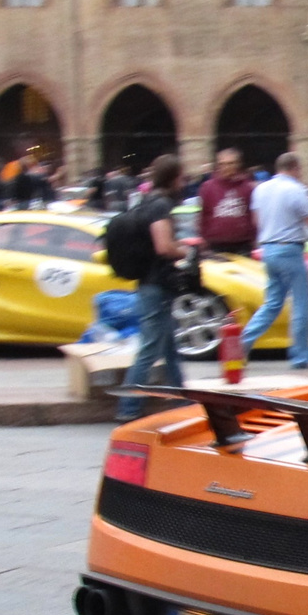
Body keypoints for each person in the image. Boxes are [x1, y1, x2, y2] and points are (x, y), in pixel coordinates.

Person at [115, 155, 189, 423]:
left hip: (151, 283)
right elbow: (163, 247)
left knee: (169, 348)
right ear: (172, 178)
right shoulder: (160, 205)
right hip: (156, 284)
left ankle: (184, 402)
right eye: (181, 177)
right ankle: (128, 409)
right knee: (149, 350)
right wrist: (185, 250)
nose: (184, 182)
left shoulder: (147, 201)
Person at [241, 152, 308, 370]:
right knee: (301, 304)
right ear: (295, 168)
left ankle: (243, 344)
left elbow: (257, 221)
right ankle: (301, 356)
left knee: (272, 303)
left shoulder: (260, 189)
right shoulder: (296, 190)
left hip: (268, 249)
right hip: (290, 249)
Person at [197, 148, 257, 255]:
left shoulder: (248, 188)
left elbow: (253, 215)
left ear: (238, 164)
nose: (226, 168)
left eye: (230, 164)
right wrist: (202, 239)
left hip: (242, 245)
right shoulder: (207, 187)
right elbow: (202, 214)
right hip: (214, 245)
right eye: (222, 164)